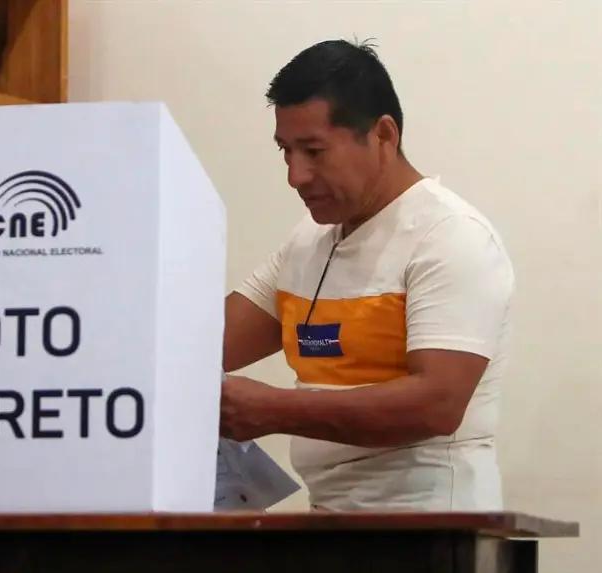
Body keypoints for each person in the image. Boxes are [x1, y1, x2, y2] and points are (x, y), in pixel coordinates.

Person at [220, 39, 514, 511]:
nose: (295, 176)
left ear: (383, 135)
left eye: (314, 151)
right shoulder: (306, 243)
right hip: (331, 523)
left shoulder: (452, 237)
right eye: (286, 151)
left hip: (430, 529)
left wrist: (272, 409)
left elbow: (436, 404)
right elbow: (201, 348)